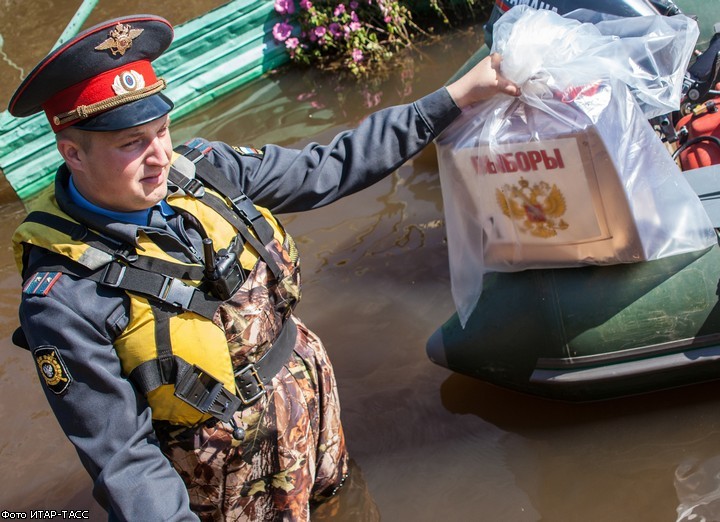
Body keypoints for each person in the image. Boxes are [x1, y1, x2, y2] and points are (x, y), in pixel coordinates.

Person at [8, 14, 519, 522]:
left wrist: (455, 97)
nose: (160, 156)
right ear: (73, 152)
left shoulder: (209, 169)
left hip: (311, 415)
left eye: (162, 130)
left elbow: (331, 166)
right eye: (131, 144)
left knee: (350, 505)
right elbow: (124, 460)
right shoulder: (62, 295)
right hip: (227, 483)